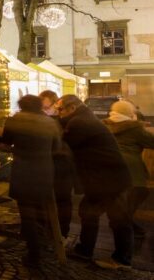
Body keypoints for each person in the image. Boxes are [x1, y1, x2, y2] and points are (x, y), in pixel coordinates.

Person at [56, 94, 134, 269]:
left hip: (106, 179)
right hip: (109, 177)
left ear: (72, 108)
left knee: (113, 218)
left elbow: (63, 145)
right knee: (99, 214)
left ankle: (118, 259)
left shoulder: (79, 122)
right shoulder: (85, 118)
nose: (58, 113)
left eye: (60, 109)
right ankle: (90, 251)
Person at [0, 94, 61, 267]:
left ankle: (34, 253)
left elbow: (5, 141)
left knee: (27, 213)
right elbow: (57, 147)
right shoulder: (50, 122)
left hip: (24, 171)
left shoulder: (16, 120)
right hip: (45, 171)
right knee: (41, 209)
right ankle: (45, 243)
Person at [103, 99, 154, 238]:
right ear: (130, 113)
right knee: (138, 194)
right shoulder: (135, 128)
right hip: (132, 173)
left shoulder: (104, 125)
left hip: (111, 172)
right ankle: (125, 237)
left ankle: (127, 225)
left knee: (121, 204)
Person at [39, 89, 74, 239]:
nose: (44, 110)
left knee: (62, 200)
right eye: (42, 107)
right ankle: (50, 230)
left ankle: (61, 232)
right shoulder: (44, 120)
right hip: (49, 166)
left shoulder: (63, 121)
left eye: (46, 107)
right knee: (49, 200)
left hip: (62, 168)